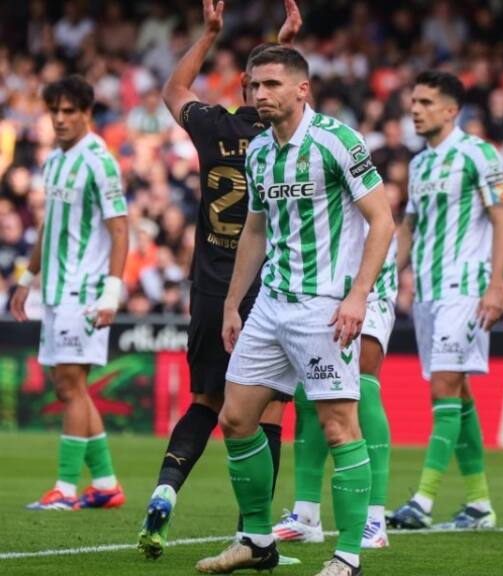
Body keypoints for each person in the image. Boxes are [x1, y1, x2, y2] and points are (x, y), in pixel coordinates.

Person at [194, 46, 395, 576]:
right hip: (270, 307)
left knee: (337, 428)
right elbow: (255, 230)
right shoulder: (258, 152)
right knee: (237, 419)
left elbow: (382, 220)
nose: (260, 94)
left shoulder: (337, 141)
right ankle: (258, 541)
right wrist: (235, 303)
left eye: (272, 85)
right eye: (255, 85)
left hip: (323, 308)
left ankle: (348, 555)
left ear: (302, 89)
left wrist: (359, 295)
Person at [137, 0, 302, 559]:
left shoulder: (212, 127)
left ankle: (166, 488)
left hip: (210, 287)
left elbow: (171, 91)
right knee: (269, 410)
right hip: (267, 288)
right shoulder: (282, 139)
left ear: (242, 87)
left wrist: (208, 35)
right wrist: (288, 46)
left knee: (207, 400)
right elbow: (305, 104)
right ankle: (253, 535)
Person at [387, 70, 503, 531]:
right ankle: (479, 505)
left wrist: (497, 284)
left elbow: (501, 222)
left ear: (450, 110)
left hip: (467, 288)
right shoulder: (419, 165)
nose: (415, 109)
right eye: (412, 101)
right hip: (428, 291)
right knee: (456, 392)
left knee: (444, 385)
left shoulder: (479, 154)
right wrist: (382, 276)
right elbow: (409, 229)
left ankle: (421, 502)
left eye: (424, 102)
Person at [11, 75, 129, 511]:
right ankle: (105, 484)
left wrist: (112, 293)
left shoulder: (100, 161)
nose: (60, 119)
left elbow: (120, 229)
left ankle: (64, 488)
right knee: (70, 387)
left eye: (68, 112)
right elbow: (48, 226)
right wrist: (28, 279)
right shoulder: (56, 161)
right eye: (54, 111)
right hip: (57, 291)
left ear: (86, 114)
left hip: (86, 290)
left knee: (69, 384)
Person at [272, 234, 396, 549]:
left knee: (363, 374)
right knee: (310, 385)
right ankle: (307, 515)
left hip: (367, 278)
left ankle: (374, 518)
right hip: (321, 280)